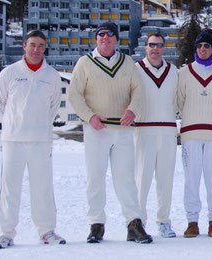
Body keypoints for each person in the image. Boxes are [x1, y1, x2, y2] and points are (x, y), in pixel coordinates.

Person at [68, 22, 151, 244]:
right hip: (97, 129)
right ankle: (96, 224)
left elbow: (138, 91)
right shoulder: (85, 63)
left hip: (122, 130)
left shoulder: (127, 63)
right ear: (97, 38)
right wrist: (89, 116)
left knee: (126, 179)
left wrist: (133, 110)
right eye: (101, 34)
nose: (105, 38)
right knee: (95, 177)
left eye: (110, 34)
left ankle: (133, 223)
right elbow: (74, 94)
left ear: (116, 39)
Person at [0, 30, 65, 249]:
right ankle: (6, 233)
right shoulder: (10, 72)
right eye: (32, 44)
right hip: (13, 140)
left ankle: (46, 231)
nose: (36, 49)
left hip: (41, 141)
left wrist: (40, 125)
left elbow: (53, 107)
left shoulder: (51, 75)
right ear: (24, 46)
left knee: (43, 187)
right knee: (9, 188)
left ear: (45, 48)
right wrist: (14, 124)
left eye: (41, 45)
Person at [177, 29, 212, 238]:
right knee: (191, 179)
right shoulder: (184, 72)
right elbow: (180, 101)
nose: (202, 49)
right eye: (199, 46)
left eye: (207, 46)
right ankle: (192, 221)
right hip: (191, 133)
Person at [133, 33, 179, 238]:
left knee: (165, 179)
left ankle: (163, 221)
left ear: (164, 48)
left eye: (159, 45)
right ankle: (138, 221)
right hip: (144, 129)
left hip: (168, 129)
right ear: (145, 47)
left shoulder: (174, 71)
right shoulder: (135, 70)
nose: (155, 49)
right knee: (141, 179)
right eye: (152, 45)